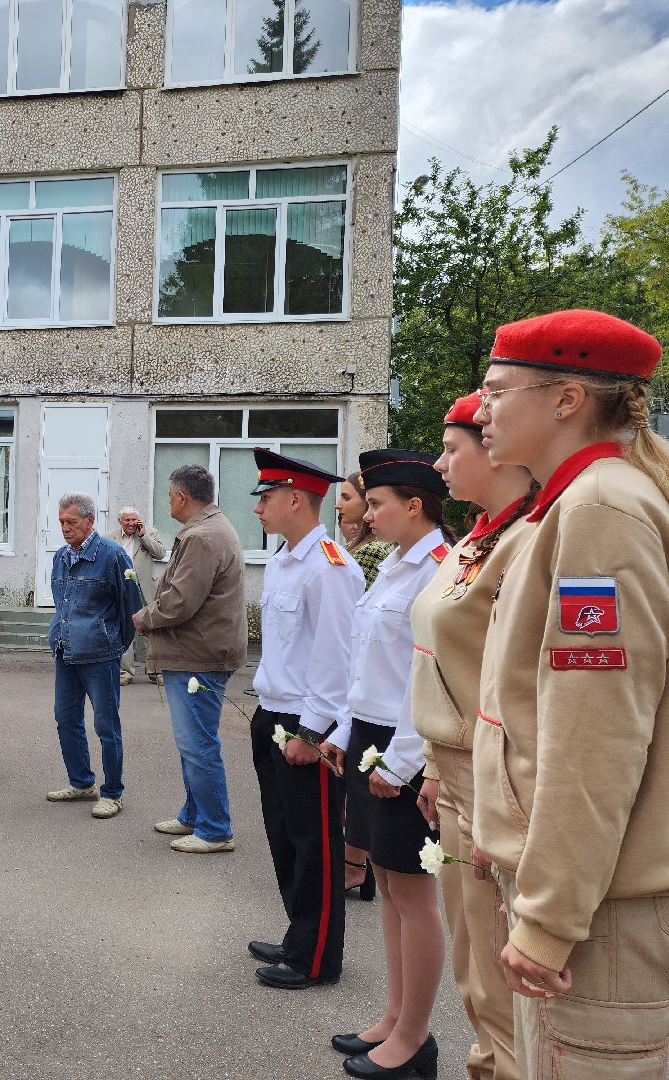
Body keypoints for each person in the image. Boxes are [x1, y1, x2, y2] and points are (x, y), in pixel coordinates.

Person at [472, 310, 669, 1079]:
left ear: (567, 399)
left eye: (496, 390)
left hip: (602, 914)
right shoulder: (586, 499)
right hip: (595, 892)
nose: (481, 409)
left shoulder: (598, 510)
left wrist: (549, 920)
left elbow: (598, 735)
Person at [404, 394, 534, 1080]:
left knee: (500, 978)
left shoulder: (528, 539)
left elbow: (513, 689)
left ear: (497, 451)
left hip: (494, 778)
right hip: (453, 773)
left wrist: (486, 794)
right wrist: (431, 764)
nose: (439, 462)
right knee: (474, 969)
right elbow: (443, 664)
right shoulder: (478, 538)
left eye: (454, 448)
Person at [337, 449, 452, 1080]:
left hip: (404, 743)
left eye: (376, 503)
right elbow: (370, 666)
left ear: (414, 505)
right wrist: (347, 732)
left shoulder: (438, 567)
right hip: (372, 736)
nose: (368, 513)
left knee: (412, 893)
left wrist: (405, 761)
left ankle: (414, 1036)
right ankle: (392, 1016)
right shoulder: (396, 566)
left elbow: (430, 672)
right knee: (385, 885)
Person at [245, 449, 363, 991]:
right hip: (272, 714)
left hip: (304, 724)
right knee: (284, 837)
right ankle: (299, 934)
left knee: (315, 843)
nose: (259, 509)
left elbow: (336, 660)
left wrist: (313, 733)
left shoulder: (331, 567)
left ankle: (316, 957)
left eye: (266, 498)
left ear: (296, 499)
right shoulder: (285, 561)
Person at [134, 465, 246, 852]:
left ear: (182, 497)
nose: (168, 502)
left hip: (198, 655)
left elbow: (180, 601)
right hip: (198, 651)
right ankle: (195, 815)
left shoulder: (202, 536)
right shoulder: (210, 529)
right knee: (193, 742)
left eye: (169, 496)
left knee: (198, 743)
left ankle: (215, 829)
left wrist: (144, 617)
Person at [45, 492, 140, 820]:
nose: (65, 528)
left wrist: (113, 645)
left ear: (90, 520)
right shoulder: (60, 556)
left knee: (106, 724)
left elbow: (132, 609)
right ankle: (82, 782)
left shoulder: (112, 556)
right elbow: (62, 603)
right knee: (65, 718)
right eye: (61, 522)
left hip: (100, 655)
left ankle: (112, 792)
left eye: (71, 522)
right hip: (66, 651)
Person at [337, 468, 395, 901]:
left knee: (359, 790)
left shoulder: (376, 553)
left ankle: (357, 865)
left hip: (378, 693)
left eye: (350, 499)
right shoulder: (356, 547)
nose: (340, 505)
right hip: (356, 684)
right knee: (353, 787)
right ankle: (359, 864)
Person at [108, 506, 165, 685]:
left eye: (134, 520)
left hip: (146, 587)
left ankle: (155, 671)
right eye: (127, 520)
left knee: (152, 627)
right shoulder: (110, 537)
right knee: (125, 627)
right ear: (120, 521)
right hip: (122, 587)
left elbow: (160, 553)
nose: (131, 523)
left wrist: (144, 535)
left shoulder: (150, 533)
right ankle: (126, 672)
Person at [337, 472, 395, 587]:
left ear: (367, 501)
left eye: (346, 498)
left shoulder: (370, 551)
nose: (338, 505)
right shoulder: (360, 544)